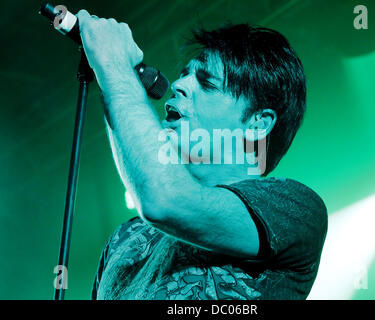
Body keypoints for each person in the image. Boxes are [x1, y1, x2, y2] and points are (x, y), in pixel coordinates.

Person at [76, 9, 328, 300]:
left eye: (207, 84)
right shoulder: (126, 238)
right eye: (184, 76)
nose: (179, 85)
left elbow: (164, 200)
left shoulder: (294, 208)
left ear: (258, 124)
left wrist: (114, 67)